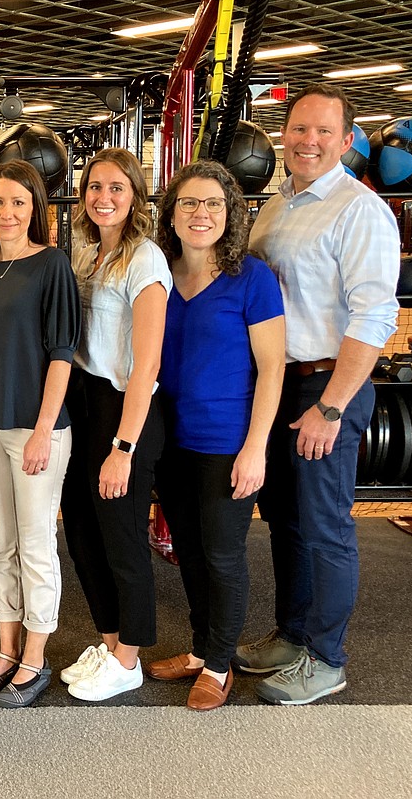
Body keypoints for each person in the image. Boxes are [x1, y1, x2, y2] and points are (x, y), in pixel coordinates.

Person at [240, 83, 400, 704]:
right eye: (299, 129)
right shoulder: (280, 202)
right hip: (277, 383)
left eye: (323, 132)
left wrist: (330, 405)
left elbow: (374, 319)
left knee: (326, 527)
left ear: (346, 139)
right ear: (283, 133)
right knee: (285, 521)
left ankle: (327, 658)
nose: (308, 141)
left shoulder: (359, 210)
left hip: (325, 384)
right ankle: (294, 634)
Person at [149, 160, 285, 710]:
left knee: (222, 555)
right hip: (170, 441)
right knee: (188, 549)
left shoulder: (252, 278)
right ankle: (202, 649)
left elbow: (272, 369)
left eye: (212, 204)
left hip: (228, 442)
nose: (200, 213)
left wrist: (256, 449)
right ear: (172, 214)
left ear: (230, 214)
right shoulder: (157, 270)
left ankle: (221, 663)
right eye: (188, 203)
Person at [0, 161, 79, 708]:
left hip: (38, 430)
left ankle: (36, 657)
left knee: (35, 546)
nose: (6, 213)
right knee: (1, 545)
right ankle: (6, 649)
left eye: (18, 202)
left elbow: (62, 355)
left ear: (35, 208)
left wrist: (42, 430)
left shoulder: (52, 265)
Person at [58, 148, 171, 702]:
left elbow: (146, 365)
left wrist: (123, 447)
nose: (104, 197)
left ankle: (130, 658)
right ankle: (110, 643)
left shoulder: (145, 259)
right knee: (81, 533)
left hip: (125, 413)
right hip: (83, 404)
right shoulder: (87, 256)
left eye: (116, 188)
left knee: (121, 538)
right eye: (95, 187)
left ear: (134, 196)